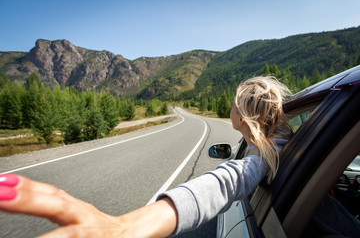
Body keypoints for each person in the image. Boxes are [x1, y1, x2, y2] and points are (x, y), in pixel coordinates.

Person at [0, 76, 292, 237]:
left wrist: (126, 227)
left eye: (232, 106)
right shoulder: (281, 141)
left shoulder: (258, 159)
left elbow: (222, 184)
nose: (229, 111)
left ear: (240, 117)